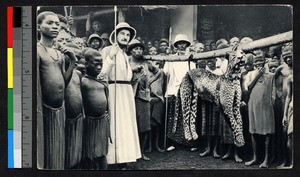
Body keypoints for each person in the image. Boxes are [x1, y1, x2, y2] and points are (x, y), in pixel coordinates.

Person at [98, 22, 141, 169]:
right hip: (114, 90)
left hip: (126, 92)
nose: (125, 36)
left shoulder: (124, 54)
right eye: (122, 33)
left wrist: (133, 72)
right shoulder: (107, 50)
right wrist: (111, 55)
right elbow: (102, 73)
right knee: (115, 124)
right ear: (115, 35)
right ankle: (112, 159)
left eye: (128, 34)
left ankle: (124, 158)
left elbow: (126, 75)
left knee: (126, 125)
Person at [37, 11, 76, 169]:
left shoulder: (59, 54)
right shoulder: (37, 51)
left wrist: (71, 62)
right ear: (39, 27)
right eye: (50, 23)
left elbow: (63, 83)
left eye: (57, 25)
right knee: (43, 150)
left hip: (59, 110)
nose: (55, 27)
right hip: (44, 111)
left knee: (56, 150)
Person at [244, 51, 276, 168]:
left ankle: (266, 160)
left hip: (266, 106)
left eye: (260, 60)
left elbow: (273, 93)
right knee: (253, 131)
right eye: (256, 61)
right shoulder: (251, 74)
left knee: (267, 132)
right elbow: (248, 87)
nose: (258, 63)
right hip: (253, 105)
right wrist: (258, 75)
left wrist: (270, 104)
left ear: (265, 61)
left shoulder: (271, 75)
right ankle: (255, 157)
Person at [165, 34, 196, 151]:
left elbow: (193, 73)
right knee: (173, 116)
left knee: (187, 116)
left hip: (187, 90)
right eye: (179, 43)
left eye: (184, 43)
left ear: (187, 45)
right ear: (176, 45)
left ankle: (189, 142)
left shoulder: (191, 57)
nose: (182, 45)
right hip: (174, 89)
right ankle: (172, 142)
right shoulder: (171, 58)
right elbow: (166, 73)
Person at [81, 49, 110, 170]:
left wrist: (107, 114)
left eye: (101, 64)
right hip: (88, 123)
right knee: (89, 153)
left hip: (102, 122)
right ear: (86, 64)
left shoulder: (102, 83)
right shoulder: (83, 81)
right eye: (96, 63)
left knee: (102, 152)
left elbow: (107, 101)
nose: (99, 67)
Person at [128, 39, 151, 161]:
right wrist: (133, 70)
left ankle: (142, 152)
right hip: (129, 96)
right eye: (135, 48)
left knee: (144, 125)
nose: (138, 51)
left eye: (140, 49)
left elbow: (159, 73)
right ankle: (132, 152)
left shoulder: (147, 62)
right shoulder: (127, 61)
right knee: (131, 125)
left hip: (143, 97)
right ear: (131, 50)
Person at [64, 44, 84, 169]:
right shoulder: (62, 72)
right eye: (72, 57)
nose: (75, 60)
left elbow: (81, 94)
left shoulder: (78, 74)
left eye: (78, 57)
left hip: (79, 117)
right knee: (67, 147)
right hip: (67, 118)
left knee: (77, 146)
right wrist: (71, 63)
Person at [199, 57, 222, 158]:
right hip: (205, 101)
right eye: (207, 61)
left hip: (216, 101)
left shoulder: (219, 72)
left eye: (212, 61)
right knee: (206, 125)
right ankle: (208, 148)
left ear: (215, 62)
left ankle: (215, 149)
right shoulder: (204, 72)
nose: (209, 63)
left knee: (215, 125)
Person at [275, 45, 293, 168]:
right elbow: (272, 81)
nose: (287, 59)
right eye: (285, 57)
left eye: (289, 56)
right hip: (284, 103)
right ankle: (285, 160)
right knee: (284, 132)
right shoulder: (281, 69)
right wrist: (277, 92)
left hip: (292, 101)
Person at [148, 60, 166, 153]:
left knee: (157, 123)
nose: (154, 65)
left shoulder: (161, 73)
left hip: (158, 99)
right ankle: (150, 146)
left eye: (157, 63)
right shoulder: (146, 73)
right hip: (149, 100)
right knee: (149, 124)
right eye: (152, 63)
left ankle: (156, 145)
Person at [278, 74, 293, 168]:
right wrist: (285, 115)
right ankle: (292, 163)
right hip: (292, 109)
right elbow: (288, 96)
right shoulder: (290, 78)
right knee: (290, 136)